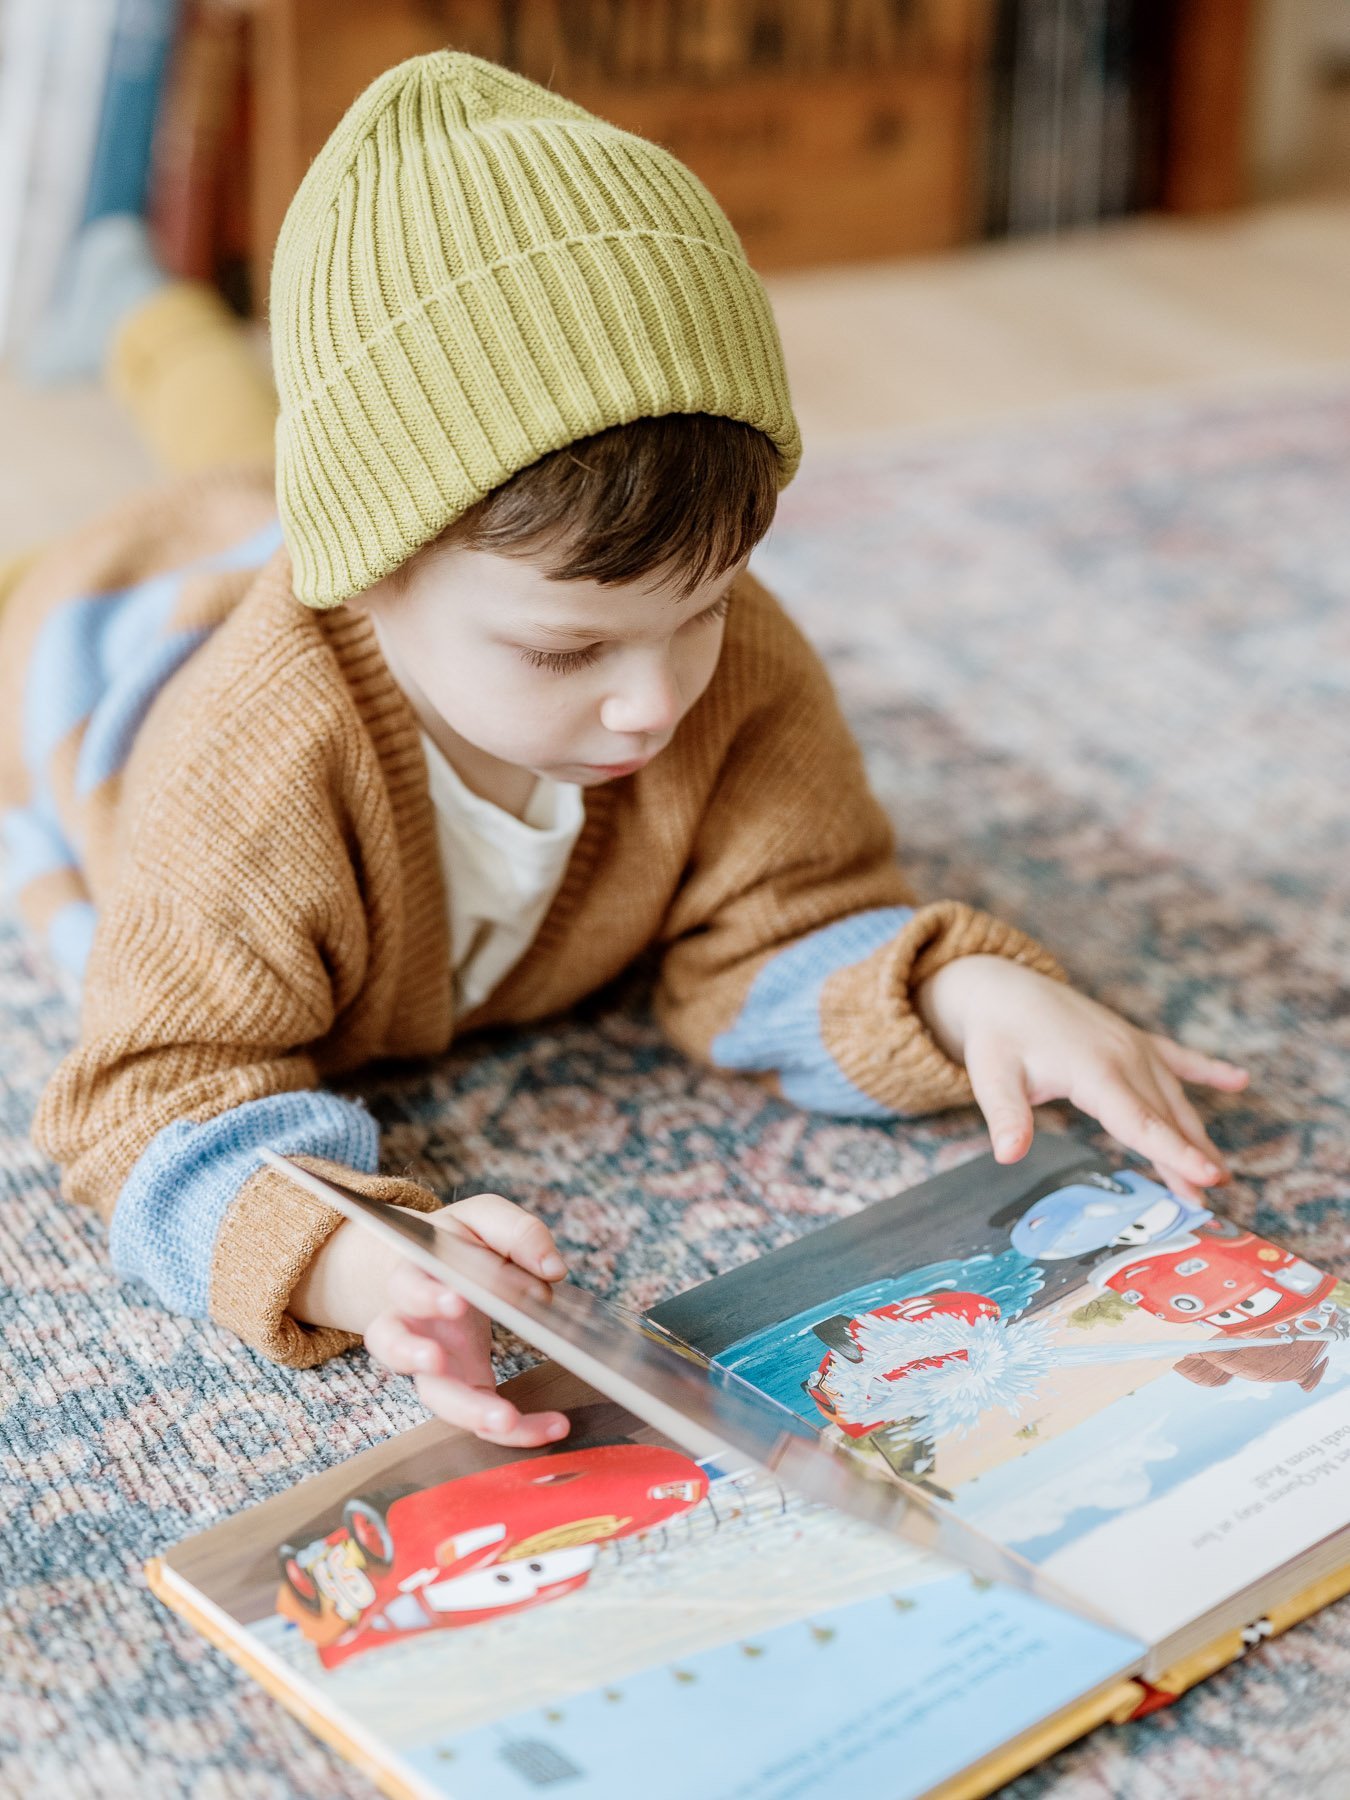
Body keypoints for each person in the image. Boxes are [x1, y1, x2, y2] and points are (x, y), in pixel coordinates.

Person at [0, 52, 1248, 1449]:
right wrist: (353, 1259)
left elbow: (783, 919)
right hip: (108, 624)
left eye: (701, 611)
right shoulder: (252, 767)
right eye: (563, 653)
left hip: (333, 531)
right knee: (182, 489)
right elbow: (143, 1097)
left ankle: (151, 321)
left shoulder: (711, 656)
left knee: (241, 444)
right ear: (363, 580)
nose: (653, 704)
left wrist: (960, 994)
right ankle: (138, 308)